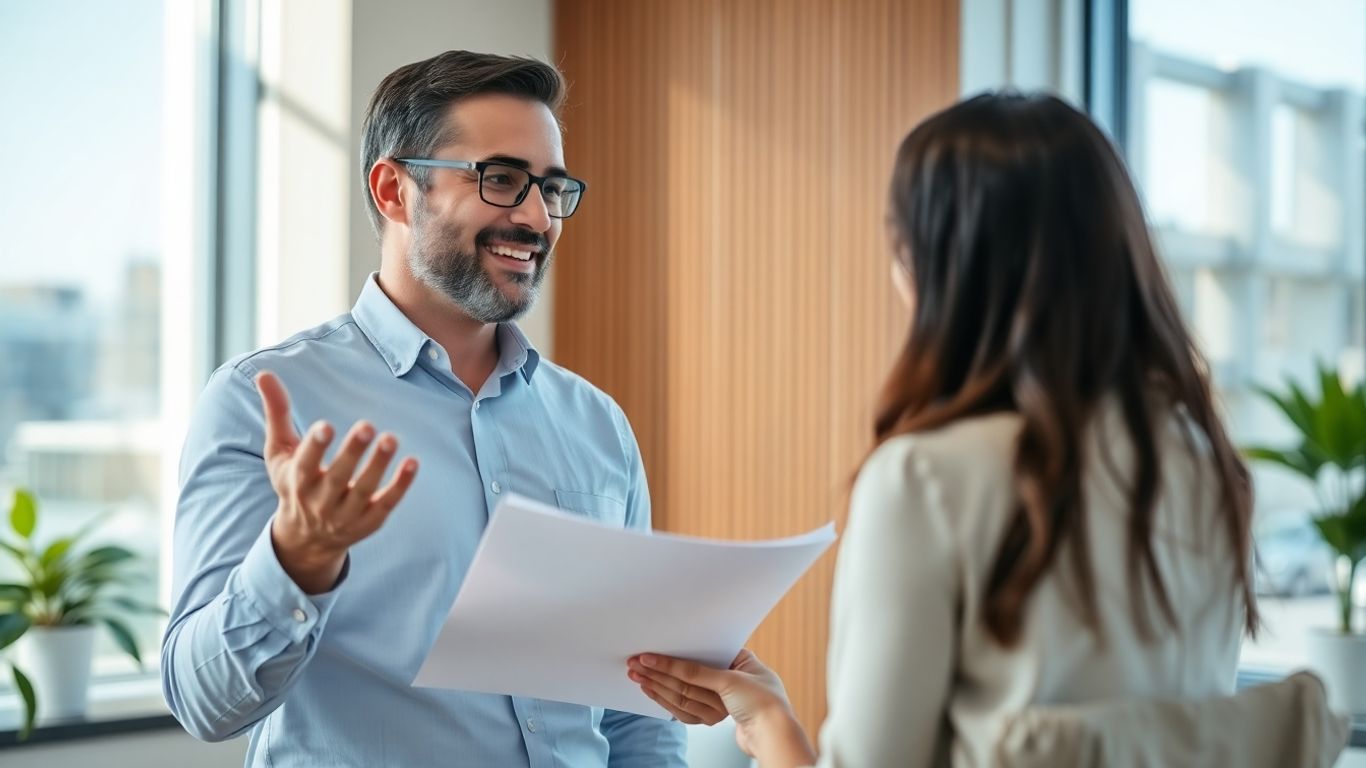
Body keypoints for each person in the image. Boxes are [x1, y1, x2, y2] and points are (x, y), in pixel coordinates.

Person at [626, 92, 1259, 767]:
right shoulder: (1208, 466)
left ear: (941, 268)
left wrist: (774, 730)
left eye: (901, 248)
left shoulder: (926, 478)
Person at [162, 50, 686, 767]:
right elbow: (202, 702)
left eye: (552, 188)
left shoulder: (596, 426)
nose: (537, 217)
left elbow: (639, 712)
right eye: (501, 180)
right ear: (393, 190)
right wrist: (298, 558)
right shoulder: (263, 404)